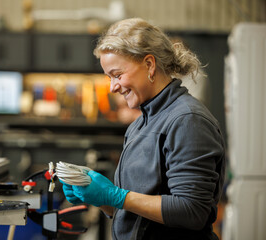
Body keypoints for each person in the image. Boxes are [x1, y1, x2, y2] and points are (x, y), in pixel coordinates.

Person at [60, 18, 225, 240]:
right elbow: (133, 211)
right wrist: (100, 198)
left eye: (118, 75)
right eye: (109, 77)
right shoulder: (140, 124)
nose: (112, 87)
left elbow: (192, 211)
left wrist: (116, 196)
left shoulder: (187, 120)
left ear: (149, 64)